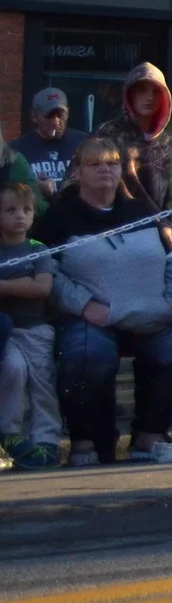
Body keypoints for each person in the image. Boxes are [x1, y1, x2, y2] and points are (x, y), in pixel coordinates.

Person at [42, 137, 172, 466]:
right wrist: (83, 304)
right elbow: (46, 270)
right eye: (95, 164)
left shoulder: (142, 210)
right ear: (78, 172)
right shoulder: (59, 217)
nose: (105, 169)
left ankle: (150, 435)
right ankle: (89, 442)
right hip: (94, 318)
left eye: (112, 163)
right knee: (86, 356)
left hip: (155, 316)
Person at [0, 183, 65, 468]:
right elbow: (30, 286)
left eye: (26, 210)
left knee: (42, 382)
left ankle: (47, 440)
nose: (20, 217)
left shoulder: (39, 249)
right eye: (11, 210)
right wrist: (21, 285)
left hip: (36, 329)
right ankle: (10, 432)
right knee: (13, 371)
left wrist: (4, 286)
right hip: (8, 333)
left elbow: (42, 289)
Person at [94, 62, 172, 212]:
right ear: (130, 95)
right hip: (112, 226)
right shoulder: (108, 133)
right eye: (142, 91)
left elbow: (170, 195)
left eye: (156, 92)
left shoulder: (167, 142)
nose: (150, 97)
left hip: (157, 230)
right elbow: (75, 182)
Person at [14, 88, 87, 202]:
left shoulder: (84, 143)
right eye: (49, 116)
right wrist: (33, 187)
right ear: (34, 117)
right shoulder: (18, 149)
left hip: (76, 212)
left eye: (60, 115)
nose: (56, 121)